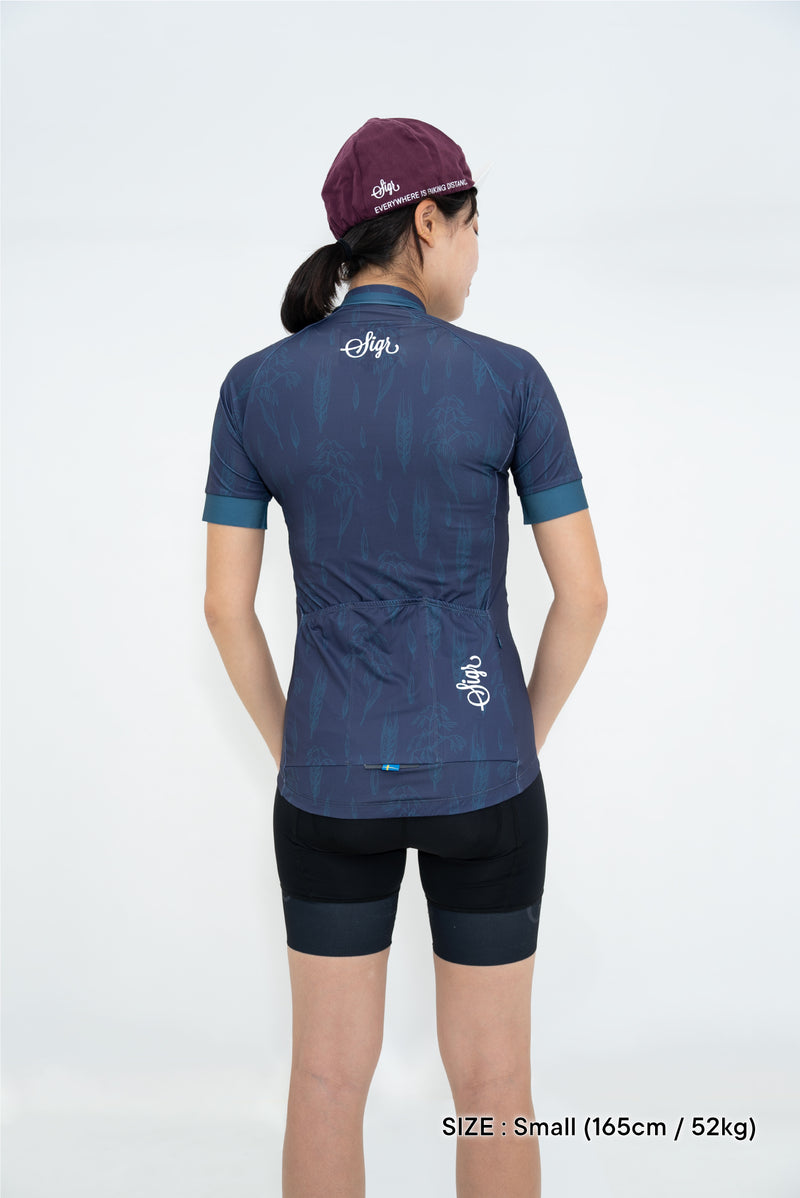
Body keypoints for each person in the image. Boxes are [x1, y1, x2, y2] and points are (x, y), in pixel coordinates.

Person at [202, 117, 607, 1198]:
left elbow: (225, 609)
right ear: (428, 222)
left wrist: (298, 748)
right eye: (472, 228)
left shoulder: (255, 387)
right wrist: (513, 735)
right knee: (496, 1085)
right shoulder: (507, 378)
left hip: (328, 779)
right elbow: (585, 596)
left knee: (325, 1081)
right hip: (485, 772)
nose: (475, 255)